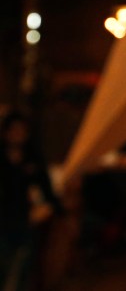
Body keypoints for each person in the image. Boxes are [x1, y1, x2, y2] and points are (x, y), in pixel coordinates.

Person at [1, 111, 62, 291]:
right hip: (3, 217)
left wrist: (54, 206)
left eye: (21, 130)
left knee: (23, 264)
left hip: (22, 217)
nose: (17, 134)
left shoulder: (31, 157)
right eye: (14, 130)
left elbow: (45, 185)